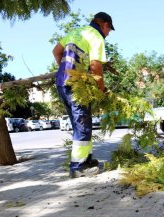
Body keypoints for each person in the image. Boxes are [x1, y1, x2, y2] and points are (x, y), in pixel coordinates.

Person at [52, 12, 114, 178]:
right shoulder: (97, 37)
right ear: (105, 25)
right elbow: (95, 66)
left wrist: (66, 70)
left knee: (79, 124)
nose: (108, 34)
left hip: (62, 83)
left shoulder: (75, 31)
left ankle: (86, 160)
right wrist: (101, 88)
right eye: (109, 30)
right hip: (76, 86)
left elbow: (56, 51)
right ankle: (78, 167)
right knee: (82, 124)